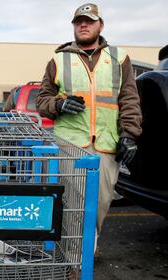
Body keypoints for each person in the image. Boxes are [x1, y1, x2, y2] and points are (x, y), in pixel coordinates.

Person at [36, 3, 142, 252]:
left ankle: (85, 250)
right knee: (72, 202)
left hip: (106, 144)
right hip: (70, 144)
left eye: (89, 21)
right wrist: (59, 105)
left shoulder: (119, 58)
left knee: (99, 204)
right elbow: (42, 101)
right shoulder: (58, 59)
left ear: (100, 25)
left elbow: (129, 99)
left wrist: (129, 134)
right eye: (78, 21)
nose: (83, 25)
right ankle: (78, 257)